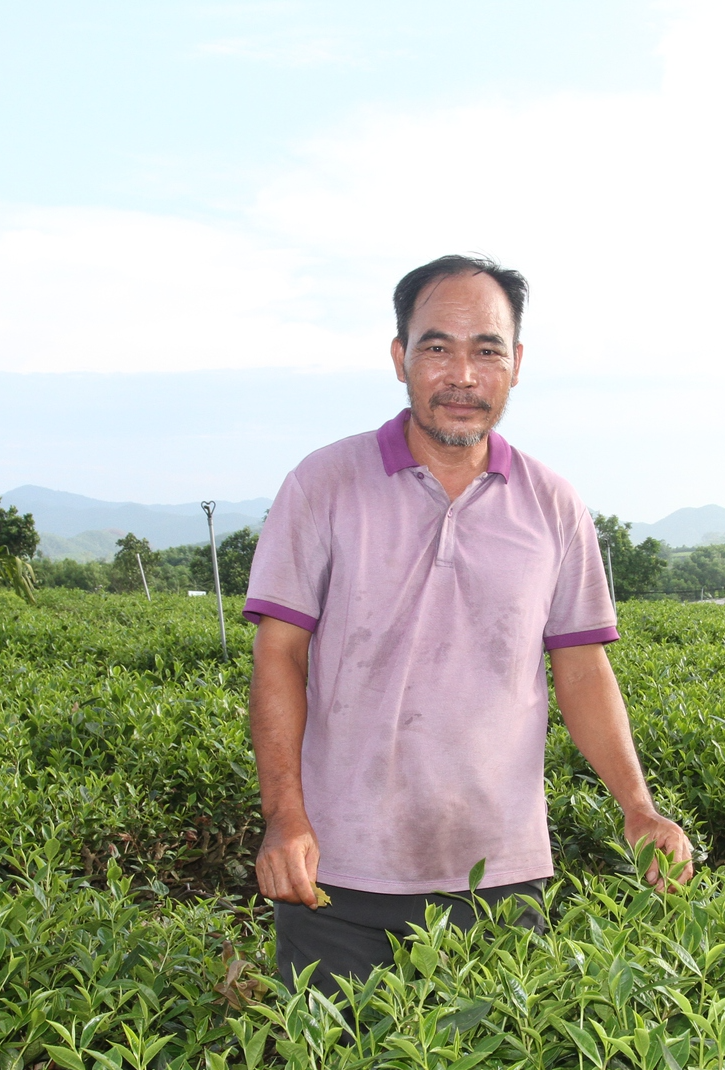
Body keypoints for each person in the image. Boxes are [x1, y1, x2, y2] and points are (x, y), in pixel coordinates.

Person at [243, 254, 694, 990]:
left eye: (486, 350)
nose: (463, 375)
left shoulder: (552, 503)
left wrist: (639, 810)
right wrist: (285, 817)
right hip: (337, 877)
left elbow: (581, 669)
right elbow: (279, 658)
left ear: (515, 364)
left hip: (501, 880)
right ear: (400, 358)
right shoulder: (323, 485)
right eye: (437, 347)